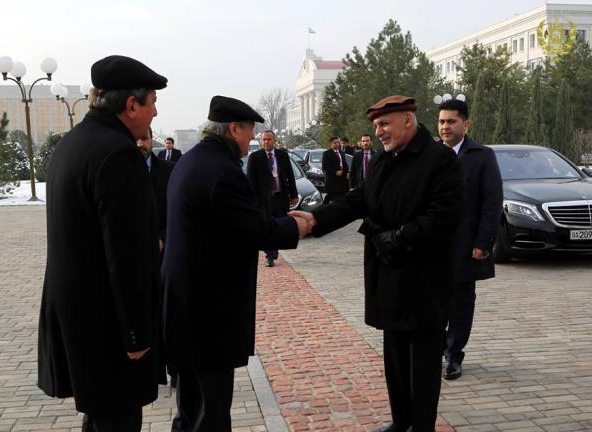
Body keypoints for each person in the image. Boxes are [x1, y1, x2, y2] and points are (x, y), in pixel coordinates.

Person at [291, 95, 464, 432]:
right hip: (388, 275)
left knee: (423, 364)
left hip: (424, 279)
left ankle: (422, 426)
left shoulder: (439, 159)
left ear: (408, 120)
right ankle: (401, 422)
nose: (379, 131)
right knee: (395, 357)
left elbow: (444, 216)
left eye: (385, 124)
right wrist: (315, 220)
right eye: (376, 126)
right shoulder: (386, 159)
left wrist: (397, 238)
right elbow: (360, 198)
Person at [162, 95, 312, 432]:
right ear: (233, 129)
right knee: (211, 412)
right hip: (209, 307)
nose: (253, 138)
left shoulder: (193, 160)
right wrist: (295, 227)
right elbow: (252, 228)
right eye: (249, 131)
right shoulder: (222, 171)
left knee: (190, 407)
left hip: (186, 302)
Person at [38, 55, 169, 432]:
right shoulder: (118, 154)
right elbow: (125, 253)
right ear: (131, 105)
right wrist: (136, 332)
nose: (155, 112)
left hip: (79, 316)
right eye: (152, 102)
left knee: (100, 418)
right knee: (118, 419)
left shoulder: (72, 143)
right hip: (109, 324)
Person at [438, 98, 503, 380]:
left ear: (466, 124)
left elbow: (492, 202)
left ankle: (454, 355)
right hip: (431, 244)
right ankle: (438, 346)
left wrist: (483, 242)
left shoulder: (482, 156)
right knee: (432, 300)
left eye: (451, 121)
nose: (445, 126)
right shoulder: (429, 155)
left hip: (465, 245)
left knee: (461, 303)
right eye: (441, 121)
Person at [136, 128, 178, 387]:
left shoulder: (169, 171)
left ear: (152, 140)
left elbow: (178, 209)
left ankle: (174, 367)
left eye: (144, 138)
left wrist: (162, 236)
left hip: (165, 254)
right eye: (136, 139)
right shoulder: (119, 171)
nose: (140, 144)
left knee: (168, 313)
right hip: (134, 256)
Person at [247, 130, 298, 267]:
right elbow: (250, 180)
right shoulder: (255, 157)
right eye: (264, 139)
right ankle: (270, 254)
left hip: (280, 197)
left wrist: (293, 194)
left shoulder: (282, 155)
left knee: (279, 226)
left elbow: (290, 175)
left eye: (269, 139)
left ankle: (273, 250)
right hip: (264, 199)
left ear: (274, 141)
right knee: (266, 226)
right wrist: (252, 200)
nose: (266, 142)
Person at [321, 136, 349, 203]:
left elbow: (344, 164)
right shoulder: (327, 153)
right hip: (332, 180)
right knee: (330, 197)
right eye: (335, 142)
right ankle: (323, 207)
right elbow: (325, 167)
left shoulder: (341, 153)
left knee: (341, 197)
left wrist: (347, 172)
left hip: (342, 180)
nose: (337, 144)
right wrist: (335, 172)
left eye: (338, 142)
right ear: (331, 144)